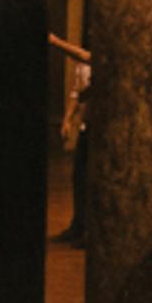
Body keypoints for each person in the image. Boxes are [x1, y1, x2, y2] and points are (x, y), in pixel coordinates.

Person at [51, 31, 92, 245]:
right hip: (87, 126)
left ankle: (92, 230)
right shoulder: (82, 66)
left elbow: (86, 56)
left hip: (102, 129)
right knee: (79, 176)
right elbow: (76, 94)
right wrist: (67, 120)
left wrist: (56, 42)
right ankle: (79, 224)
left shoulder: (97, 59)